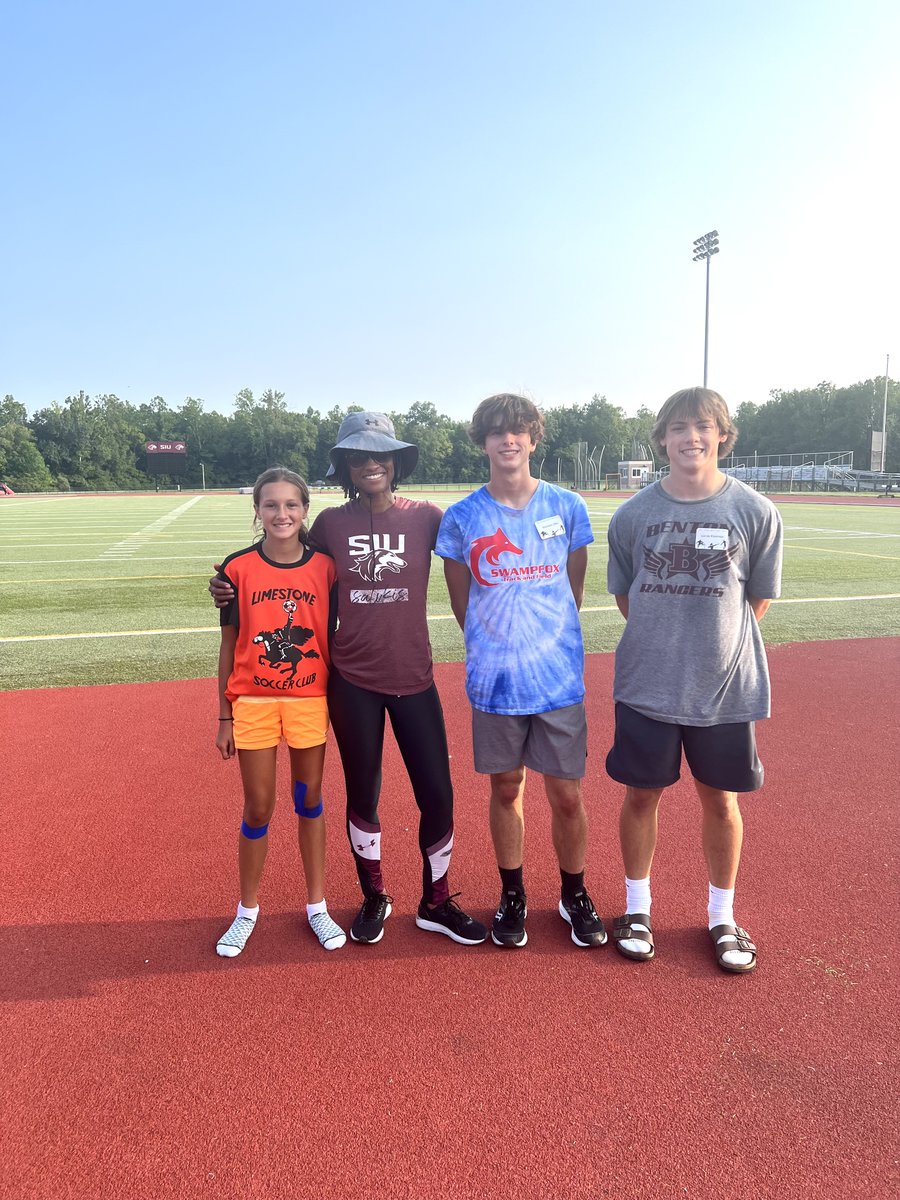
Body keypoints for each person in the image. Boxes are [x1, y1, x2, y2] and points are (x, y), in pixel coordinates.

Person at [212, 413, 486, 948]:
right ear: (345, 467)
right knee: (363, 794)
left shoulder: (428, 517)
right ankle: (373, 896)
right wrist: (226, 585)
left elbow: (478, 553)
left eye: (380, 455)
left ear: (396, 462)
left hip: (415, 677)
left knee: (438, 793)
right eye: (358, 457)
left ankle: (436, 901)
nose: (370, 464)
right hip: (352, 682)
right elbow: (282, 556)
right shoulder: (332, 525)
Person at [605, 387, 783, 974]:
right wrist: (669, 638)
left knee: (721, 801)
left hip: (726, 687)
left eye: (703, 426)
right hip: (647, 683)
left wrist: (710, 645)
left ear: (722, 435)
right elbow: (627, 597)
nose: (691, 437)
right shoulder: (633, 515)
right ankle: (636, 910)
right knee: (641, 795)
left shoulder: (755, 512)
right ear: (661, 439)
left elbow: (756, 598)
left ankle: (722, 917)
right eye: (678, 427)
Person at [436, 393, 605, 950]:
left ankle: (573, 893)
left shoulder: (567, 506)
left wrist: (541, 638)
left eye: (518, 432)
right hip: (495, 679)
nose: (508, 441)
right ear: (482, 442)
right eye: (496, 432)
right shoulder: (462, 517)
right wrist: (502, 644)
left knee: (567, 795)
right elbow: (464, 606)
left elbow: (571, 591)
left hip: (557, 677)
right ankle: (514, 894)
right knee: (506, 788)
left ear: (533, 439)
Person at [214, 467, 346, 957]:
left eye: (291, 505)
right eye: (271, 505)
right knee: (259, 806)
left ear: (305, 510)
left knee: (309, 800)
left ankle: (317, 906)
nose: (281, 514)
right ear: (257, 511)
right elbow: (228, 646)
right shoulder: (236, 569)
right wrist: (224, 716)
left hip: (310, 699)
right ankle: (247, 910)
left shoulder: (326, 567)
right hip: (252, 701)